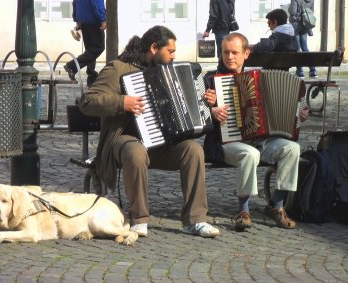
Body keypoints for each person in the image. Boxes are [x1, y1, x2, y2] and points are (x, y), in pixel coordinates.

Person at [78, 25, 220, 238]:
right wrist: (122, 102)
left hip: (160, 143)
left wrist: (205, 103)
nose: (174, 56)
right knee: (135, 152)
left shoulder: (170, 72)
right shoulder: (118, 68)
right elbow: (87, 101)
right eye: (170, 51)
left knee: (193, 150)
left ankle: (195, 220)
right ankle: (139, 219)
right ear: (154, 47)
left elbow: (185, 108)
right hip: (123, 140)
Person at [204, 32, 309, 231]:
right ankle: (244, 211)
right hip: (225, 143)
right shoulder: (211, 80)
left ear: (246, 53)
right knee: (249, 153)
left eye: (235, 52)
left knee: (292, 148)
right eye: (226, 52)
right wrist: (211, 110)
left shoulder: (258, 79)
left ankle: (277, 206)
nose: (230, 57)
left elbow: (290, 106)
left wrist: (298, 116)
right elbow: (196, 113)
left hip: (261, 141)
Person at [64, 0, 106, 87]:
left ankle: (92, 78)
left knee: (90, 50)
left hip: (84, 21)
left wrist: (76, 18)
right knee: (98, 48)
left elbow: (75, 2)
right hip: (93, 21)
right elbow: (97, 3)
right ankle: (72, 66)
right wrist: (103, 19)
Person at [288, 0, 317, 78]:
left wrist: (289, 8)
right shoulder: (311, 1)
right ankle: (313, 70)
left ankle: (300, 72)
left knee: (297, 49)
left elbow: (292, 11)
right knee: (305, 48)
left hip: (296, 26)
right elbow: (312, 11)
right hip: (305, 26)